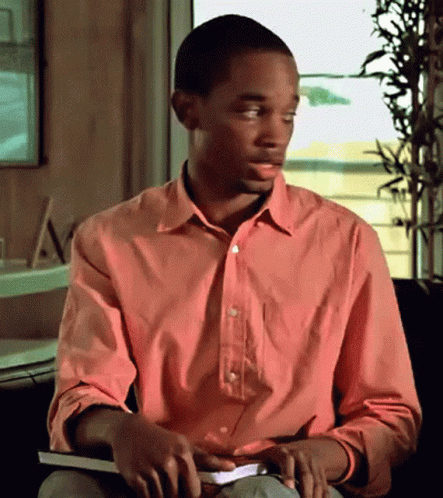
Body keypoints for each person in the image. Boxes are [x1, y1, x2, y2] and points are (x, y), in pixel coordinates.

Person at [38, 14, 421, 498]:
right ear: (187, 110)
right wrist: (124, 431)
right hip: (166, 485)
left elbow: (392, 414)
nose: (275, 136)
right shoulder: (109, 241)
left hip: (286, 488)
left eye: (288, 115)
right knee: (65, 488)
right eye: (252, 111)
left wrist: (325, 454)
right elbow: (82, 394)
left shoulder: (347, 241)